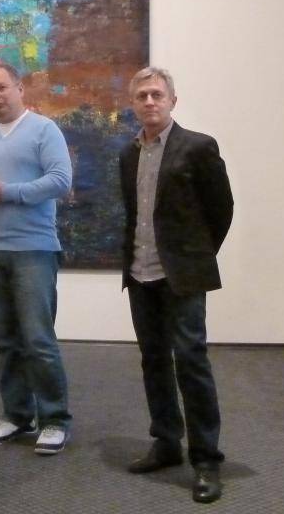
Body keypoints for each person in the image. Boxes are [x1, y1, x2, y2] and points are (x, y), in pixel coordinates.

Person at [119, 67, 233, 503]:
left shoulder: (198, 147)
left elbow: (221, 209)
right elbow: (133, 214)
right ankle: (166, 442)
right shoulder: (128, 154)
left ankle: (205, 458)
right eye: (142, 96)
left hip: (181, 276)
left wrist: (193, 256)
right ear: (133, 104)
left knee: (190, 361)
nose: (150, 101)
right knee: (153, 360)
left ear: (172, 101)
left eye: (157, 94)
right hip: (140, 272)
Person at [0, 62, 73, 455]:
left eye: (2, 87)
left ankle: (54, 419)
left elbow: (61, 180)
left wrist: (8, 192)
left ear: (20, 89)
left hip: (34, 249)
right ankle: (18, 414)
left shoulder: (43, 130)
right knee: (6, 341)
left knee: (38, 340)